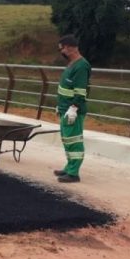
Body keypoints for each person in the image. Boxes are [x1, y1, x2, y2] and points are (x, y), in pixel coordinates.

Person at [54, 35, 91, 183]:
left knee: (74, 140)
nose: (61, 52)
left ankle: (74, 173)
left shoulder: (81, 66)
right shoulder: (71, 64)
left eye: (61, 48)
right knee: (67, 140)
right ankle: (69, 167)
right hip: (64, 109)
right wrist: (60, 106)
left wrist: (73, 109)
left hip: (72, 111)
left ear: (69, 47)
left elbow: (80, 92)